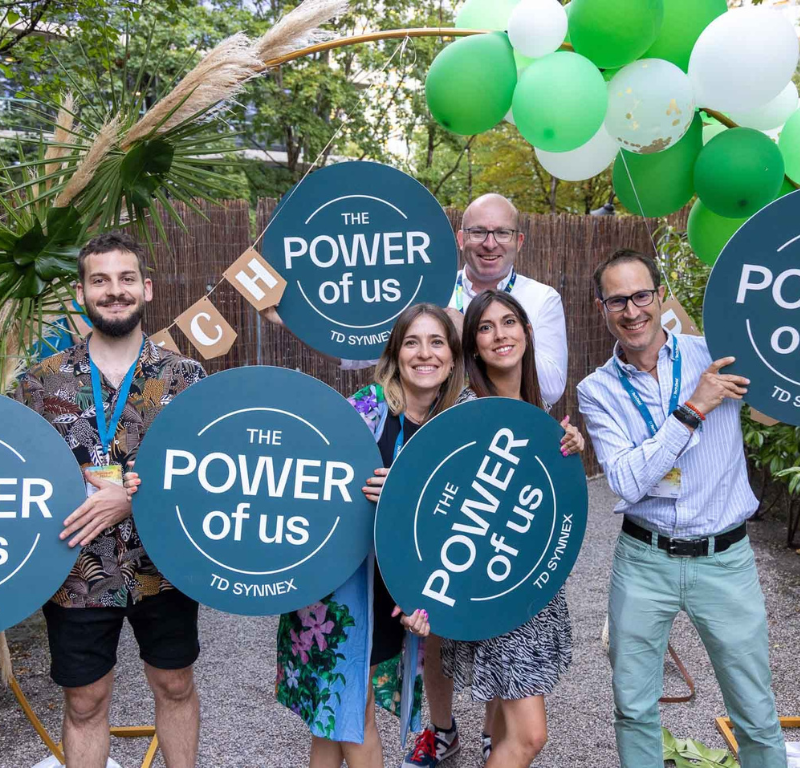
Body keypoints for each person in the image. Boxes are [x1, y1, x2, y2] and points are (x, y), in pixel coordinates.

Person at [577, 249, 785, 768]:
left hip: (726, 560)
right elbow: (625, 480)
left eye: (641, 295)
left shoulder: (715, 354)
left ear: (659, 294)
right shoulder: (596, 391)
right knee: (634, 709)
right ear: (601, 306)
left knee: (756, 712)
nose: (632, 311)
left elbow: (774, 406)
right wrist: (692, 409)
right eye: (617, 300)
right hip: (644, 562)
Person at [15, 232, 206, 768]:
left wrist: (131, 498)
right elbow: (21, 472)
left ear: (146, 288)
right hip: (73, 567)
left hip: (164, 563)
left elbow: (204, 479)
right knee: (85, 700)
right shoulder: (38, 383)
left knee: (173, 685)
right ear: (82, 293)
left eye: (126, 279)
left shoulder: (187, 379)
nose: (114, 291)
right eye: (100, 280)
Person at [270, 303, 462, 767]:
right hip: (339, 588)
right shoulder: (366, 410)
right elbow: (310, 480)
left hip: (393, 587)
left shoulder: (456, 429)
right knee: (349, 711)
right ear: (395, 355)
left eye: (437, 342)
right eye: (412, 342)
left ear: (453, 358)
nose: (424, 354)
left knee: (332, 719)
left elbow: (459, 519)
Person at [402, 291, 584, 768]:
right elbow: (432, 501)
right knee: (530, 736)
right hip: (491, 587)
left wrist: (565, 450)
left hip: (529, 582)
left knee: (508, 726)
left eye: (509, 322)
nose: (500, 335)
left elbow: (545, 498)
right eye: (485, 328)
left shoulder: (534, 406)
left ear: (527, 331)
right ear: (474, 347)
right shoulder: (466, 410)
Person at [267, 193, 569, 409]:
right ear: (462, 239)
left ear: (518, 241)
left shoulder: (542, 298)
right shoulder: (426, 291)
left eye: (502, 232)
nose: (490, 243)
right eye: (478, 232)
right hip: (428, 432)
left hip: (507, 432)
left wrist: (471, 338)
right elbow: (357, 353)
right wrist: (295, 321)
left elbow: (552, 390)